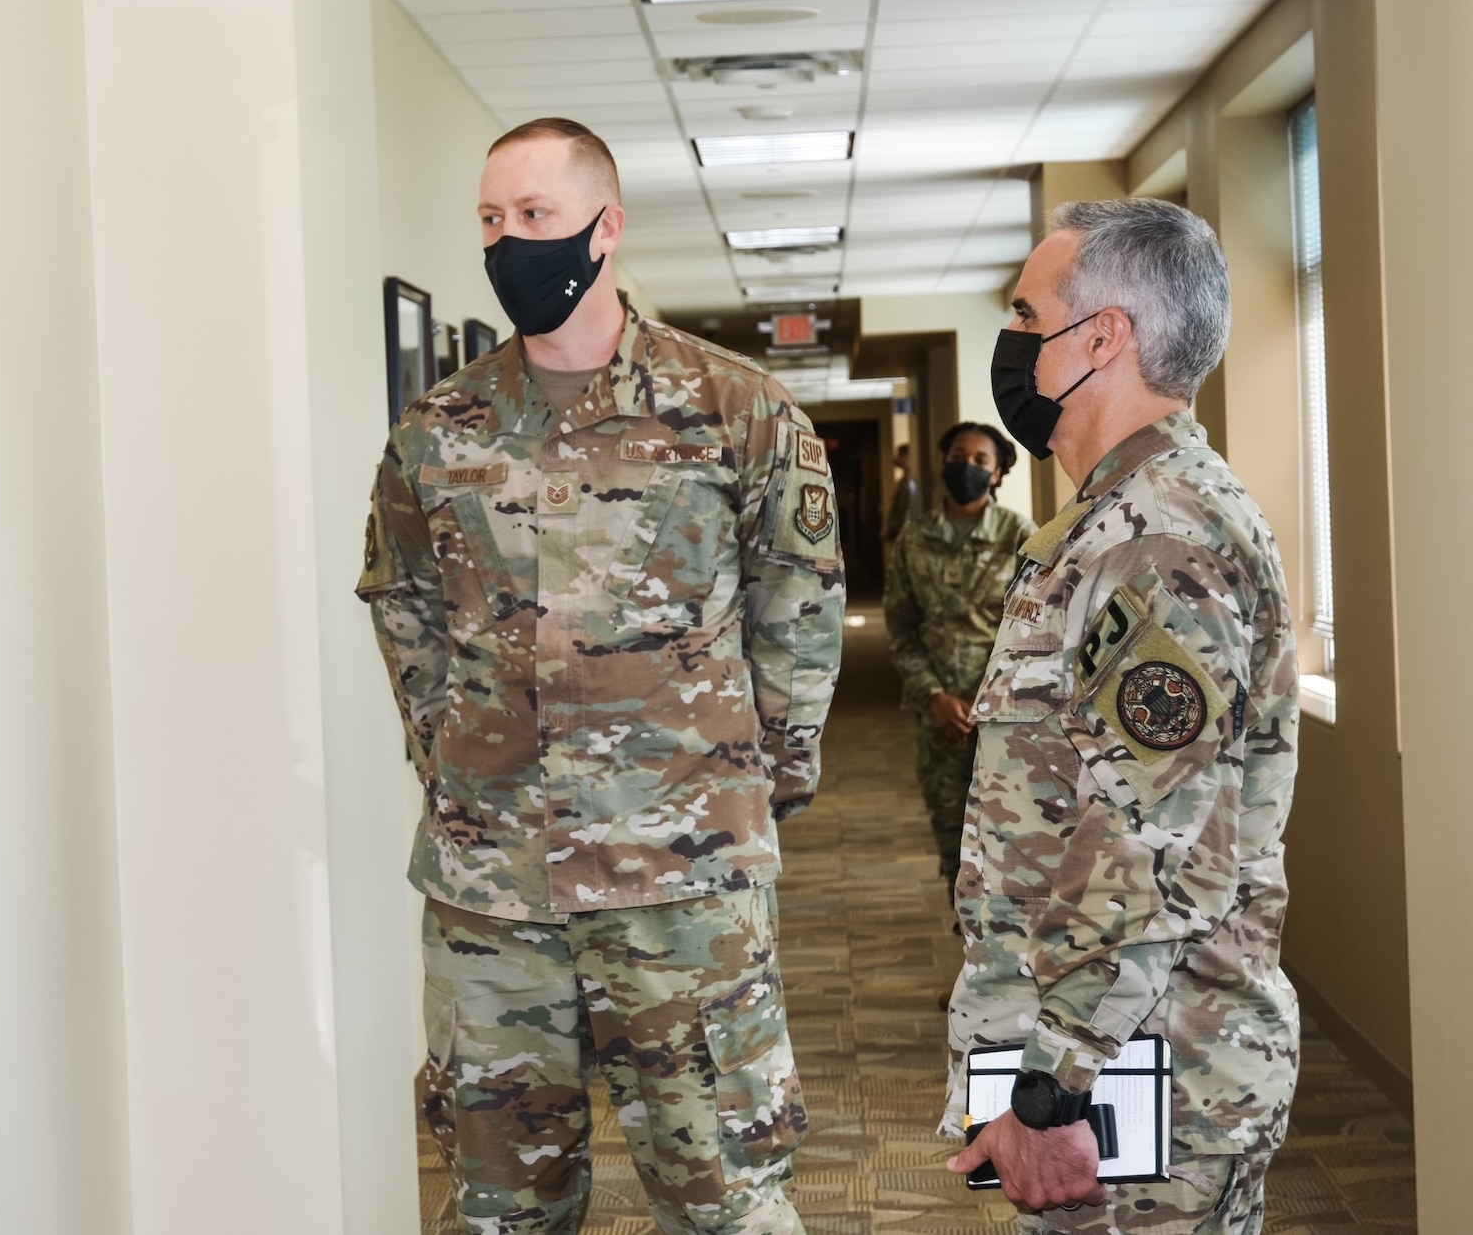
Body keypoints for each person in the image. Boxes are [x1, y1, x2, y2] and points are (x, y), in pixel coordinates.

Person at [358, 116, 845, 1234]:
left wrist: (743, 788)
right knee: (496, 1207)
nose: (509, 240)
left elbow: (799, 613)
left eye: (534, 216)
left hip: (685, 891)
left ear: (603, 226)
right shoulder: (436, 430)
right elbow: (407, 608)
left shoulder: (735, 410)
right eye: (491, 219)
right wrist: (452, 756)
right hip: (493, 900)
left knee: (724, 1199)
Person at [943, 199, 1298, 1232]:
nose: (1010, 341)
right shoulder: (1112, 517)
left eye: (1023, 311)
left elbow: (1136, 848)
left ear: (1100, 336)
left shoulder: (1155, 537)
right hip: (1111, 1054)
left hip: (1140, 1072)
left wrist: (1046, 1085)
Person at [883, 422, 1032, 885]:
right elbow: (902, 630)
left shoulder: (1021, 537)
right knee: (953, 840)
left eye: (980, 460)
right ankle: (962, 930)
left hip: (1006, 720)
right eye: (958, 456)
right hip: (941, 721)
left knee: (1014, 841)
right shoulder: (914, 539)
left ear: (998, 474)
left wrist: (994, 698)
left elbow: (1038, 634)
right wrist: (934, 696)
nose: (966, 466)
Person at [883, 441, 921, 544]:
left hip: (905, 532)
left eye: (899, 455)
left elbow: (904, 507)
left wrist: (894, 529)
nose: (896, 459)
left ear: (906, 456)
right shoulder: (904, 479)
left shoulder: (911, 480)